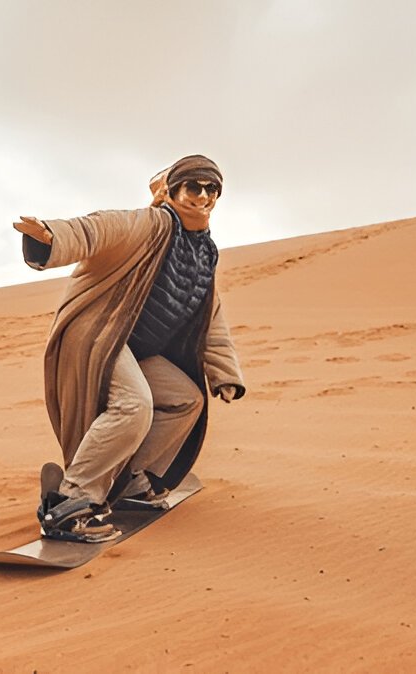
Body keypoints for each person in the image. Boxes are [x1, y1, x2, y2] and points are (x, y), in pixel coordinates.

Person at [13, 155, 245, 543]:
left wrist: (225, 373)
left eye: (212, 189)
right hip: (100, 334)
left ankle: (127, 480)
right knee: (134, 405)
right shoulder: (152, 224)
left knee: (186, 400)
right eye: (194, 187)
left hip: (138, 349)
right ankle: (69, 501)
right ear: (173, 191)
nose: (203, 196)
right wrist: (51, 238)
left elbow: (211, 314)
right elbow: (99, 229)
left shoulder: (205, 252)